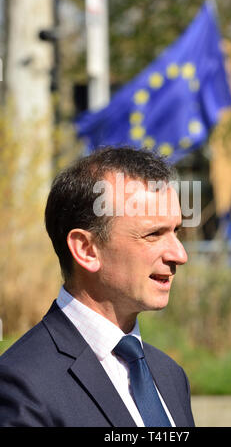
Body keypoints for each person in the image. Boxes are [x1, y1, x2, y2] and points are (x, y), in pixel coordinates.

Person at [0, 146, 195, 427]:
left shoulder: (170, 376)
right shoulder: (22, 385)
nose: (180, 255)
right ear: (86, 250)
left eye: (175, 231)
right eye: (153, 234)